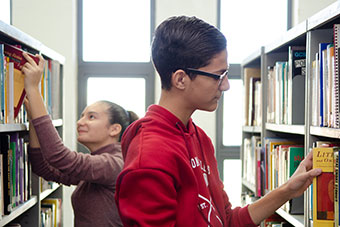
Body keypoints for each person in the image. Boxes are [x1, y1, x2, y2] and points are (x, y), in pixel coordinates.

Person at [114, 15, 322, 227]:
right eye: (218, 76)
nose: (225, 86)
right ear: (180, 79)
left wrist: (289, 190)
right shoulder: (148, 158)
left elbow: (227, 220)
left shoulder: (199, 137)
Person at [22, 53, 138, 227]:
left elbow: (59, 157)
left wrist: (33, 89)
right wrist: (33, 120)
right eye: (82, 116)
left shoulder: (114, 163)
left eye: (91, 117)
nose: (80, 122)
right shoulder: (98, 164)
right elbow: (43, 168)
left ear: (114, 129)